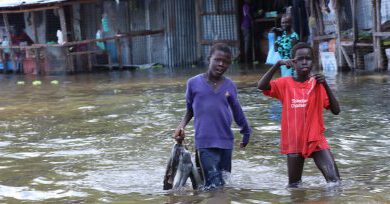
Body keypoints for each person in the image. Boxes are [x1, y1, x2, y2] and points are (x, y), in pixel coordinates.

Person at [257, 42, 341, 188]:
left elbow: (336, 110)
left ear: (313, 61)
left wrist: (326, 85)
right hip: (294, 140)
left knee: (335, 182)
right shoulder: (285, 84)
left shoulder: (318, 84)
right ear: (293, 62)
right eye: (299, 59)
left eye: (307, 58)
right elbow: (261, 86)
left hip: (316, 139)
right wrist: (277, 64)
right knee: (294, 186)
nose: (304, 62)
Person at [174, 43, 251, 189]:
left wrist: (246, 131)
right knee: (215, 186)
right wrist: (181, 126)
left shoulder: (230, 85)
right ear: (209, 59)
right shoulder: (193, 83)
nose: (221, 64)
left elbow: (237, 111)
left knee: (223, 183)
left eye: (226, 62)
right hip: (205, 143)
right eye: (217, 60)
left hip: (226, 143)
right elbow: (190, 110)